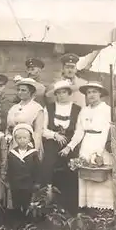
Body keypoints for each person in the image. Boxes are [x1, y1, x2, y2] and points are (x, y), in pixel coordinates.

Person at [61, 82, 115, 211]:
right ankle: (87, 207)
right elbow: (79, 131)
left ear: (100, 94)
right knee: (86, 173)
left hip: (101, 143)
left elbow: (107, 131)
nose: (91, 95)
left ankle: (103, 209)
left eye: (94, 92)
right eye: (89, 92)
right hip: (86, 144)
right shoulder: (84, 110)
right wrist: (70, 146)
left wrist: (99, 152)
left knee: (100, 173)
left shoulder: (107, 110)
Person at [41, 80, 82, 215]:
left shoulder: (77, 109)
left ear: (69, 93)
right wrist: (54, 135)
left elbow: (78, 132)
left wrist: (69, 147)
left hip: (71, 145)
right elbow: (42, 129)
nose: (61, 96)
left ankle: (71, 208)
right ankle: (47, 206)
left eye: (64, 92)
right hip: (52, 142)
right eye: (58, 93)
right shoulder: (49, 108)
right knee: (47, 168)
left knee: (72, 171)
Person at [7, 123, 40, 223]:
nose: (22, 140)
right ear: (15, 139)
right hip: (16, 183)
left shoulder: (33, 153)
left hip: (28, 183)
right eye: (19, 138)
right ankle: (17, 221)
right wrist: (8, 181)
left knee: (27, 202)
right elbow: (9, 169)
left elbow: (37, 169)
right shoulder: (12, 153)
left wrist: (37, 182)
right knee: (16, 202)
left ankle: (27, 223)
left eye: (25, 138)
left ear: (29, 139)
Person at [6, 78, 45, 160]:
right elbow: (8, 127)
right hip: (14, 143)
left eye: (23, 90)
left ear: (31, 92)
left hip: (29, 145)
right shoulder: (14, 107)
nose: (20, 92)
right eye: (19, 90)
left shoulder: (37, 108)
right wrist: (7, 136)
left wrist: (34, 151)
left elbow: (38, 132)